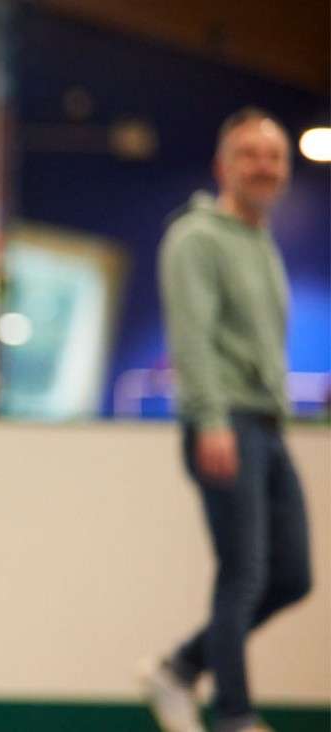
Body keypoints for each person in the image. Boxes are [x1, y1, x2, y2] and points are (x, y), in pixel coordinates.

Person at [141, 108, 312, 732]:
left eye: (275, 156)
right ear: (224, 166)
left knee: (291, 576)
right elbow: (193, 339)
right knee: (243, 573)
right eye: (251, 154)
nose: (265, 166)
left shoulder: (260, 240)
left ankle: (182, 667)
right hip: (225, 421)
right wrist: (211, 420)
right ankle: (236, 715)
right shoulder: (196, 237)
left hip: (267, 425)